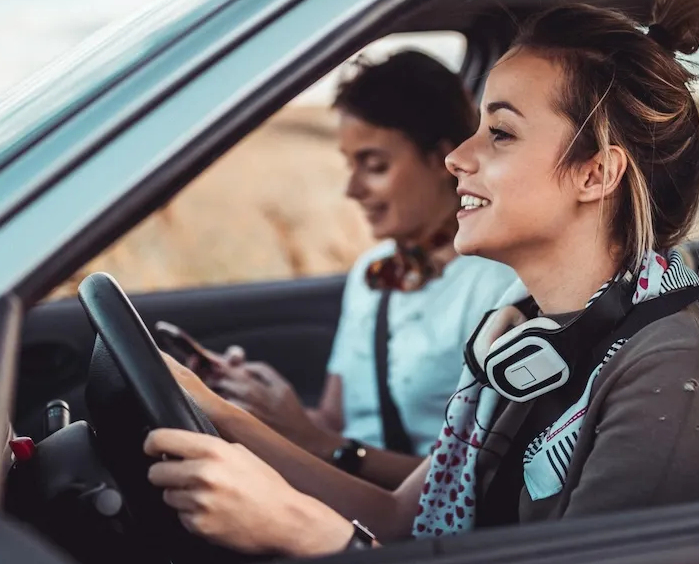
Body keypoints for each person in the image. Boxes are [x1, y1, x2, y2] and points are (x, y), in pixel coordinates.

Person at [144, 0, 699, 557]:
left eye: (499, 133)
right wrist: (217, 411)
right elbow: (398, 520)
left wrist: (301, 530)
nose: (458, 157)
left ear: (596, 173)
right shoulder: (529, 340)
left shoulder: (673, 372)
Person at [205, 50, 518, 489]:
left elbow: (475, 479)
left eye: (374, 166)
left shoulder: (500, 285)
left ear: (442, 158)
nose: (352, 190)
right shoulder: (372, 270)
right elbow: (333, 419)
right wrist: (259, 405)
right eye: (349, 164)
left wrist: (320, 444)